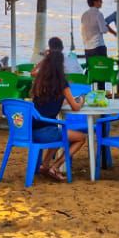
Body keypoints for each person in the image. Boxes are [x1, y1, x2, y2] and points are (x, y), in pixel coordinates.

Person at [29, 48, 85, 181]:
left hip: (30, 130)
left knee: (58, 131)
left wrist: (45, 60)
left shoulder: (39, 80)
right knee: (81, 138)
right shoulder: (61, 83)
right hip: (46, 132)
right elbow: (75, 107)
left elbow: (33, 73)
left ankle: (45, 165)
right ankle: (56, 166)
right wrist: (81, 101)